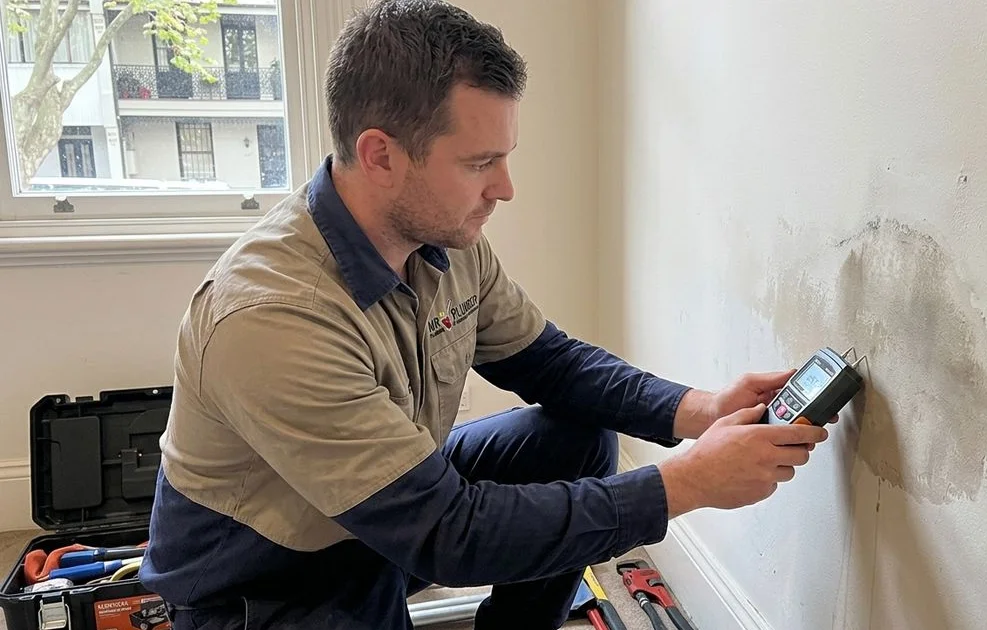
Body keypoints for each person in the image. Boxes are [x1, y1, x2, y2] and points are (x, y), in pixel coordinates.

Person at [140, 1, 832, 628]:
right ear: (381, 155)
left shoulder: (444, 239)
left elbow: (550, 363)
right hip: (271, 581)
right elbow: (449, 535)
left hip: (389, 513)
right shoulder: (270, 318)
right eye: (480, 162)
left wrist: (700, 410)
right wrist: (685, 485)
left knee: (575, 443)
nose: (504, 187)